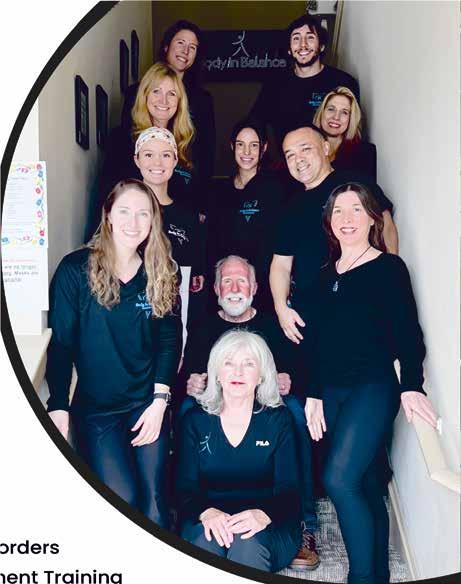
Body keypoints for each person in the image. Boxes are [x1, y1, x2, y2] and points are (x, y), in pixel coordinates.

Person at [302, 182, 438, 584]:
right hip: (332, 390)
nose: (347, 219)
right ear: (329, 221)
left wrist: (412, 384)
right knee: (366, 480)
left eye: (356, 210)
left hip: (373, 387)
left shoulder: (388, 268)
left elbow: (409, 333)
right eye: (339, 211)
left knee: (338, 478)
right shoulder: (322, 276)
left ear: (373, 219)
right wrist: (313, 393)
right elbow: (315, 343)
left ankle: (360, 577)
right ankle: (377, 574)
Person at [46, 179, 182, 527]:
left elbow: (169, 340)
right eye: (124, 211)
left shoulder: (162, 271)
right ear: (107, 215)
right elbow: (61, 343)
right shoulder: (75, 270)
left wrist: (160, 402)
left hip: (146, 403)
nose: (133, 222)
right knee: (123, 498)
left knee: (155, 501)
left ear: (153, 220)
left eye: (143, 213)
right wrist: (58, 403)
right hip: (97, 410)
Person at [179, 255, 320, 571]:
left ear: (255, 288)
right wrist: (192, 381)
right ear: (216, 289)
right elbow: (190, 375)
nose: (234, 288)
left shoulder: (271, 324)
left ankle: (305, 522)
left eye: (241, 281)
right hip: (216, 403)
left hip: (268, 403)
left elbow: (297, 368)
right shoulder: (204, 326)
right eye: (227, 281)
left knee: (295, 413)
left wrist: (286, 378)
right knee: (189, 410)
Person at [177, 330, 301, 572]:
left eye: (248, 364)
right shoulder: (195, 420)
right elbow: (183, 488)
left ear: (262, 375)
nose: (238, 372)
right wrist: (206, 512)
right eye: (229, 363)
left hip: (268, 521)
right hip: (208, 517)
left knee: (247, 545)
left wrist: (263, 515)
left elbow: (290, 490)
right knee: (205, 540)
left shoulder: (279, 420)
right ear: (216, 373)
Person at [270, 124, 398, 345]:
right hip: (310, 316)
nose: (298, 159)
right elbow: (281, 264)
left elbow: (386, 225)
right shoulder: (291, 206)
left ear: (325, 148)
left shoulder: (354, 183)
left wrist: (391, 274)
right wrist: (281, 309)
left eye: (305, 149)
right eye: (290, 155)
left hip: (359, 306)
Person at [90, 62, 195, 236]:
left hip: (174, 236)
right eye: (156, 91)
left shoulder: (186, 143)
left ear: (180, 101)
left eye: (171, 94)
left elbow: (191, 202)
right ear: (144, 95)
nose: (163, 100)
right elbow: (107, 197)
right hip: (130, 235)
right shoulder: (122, 139)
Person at [122, 20, 216, 215]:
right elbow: (126, 146)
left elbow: (206, 155)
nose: (185, 51)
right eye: (180, 43)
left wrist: (202, 206)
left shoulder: (203, 100)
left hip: (183, 192)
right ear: (166, 46)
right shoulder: (135, 93)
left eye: (192, 47)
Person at [207, 119, 288, 313]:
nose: (246, 152)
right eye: (241, 144)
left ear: (264, 148)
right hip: (229, 287)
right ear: (232, 146)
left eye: (254, 145)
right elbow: (211, 240)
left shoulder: (276, 189)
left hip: (265, 285)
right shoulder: (220, 191)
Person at [133, 126, 206, 341]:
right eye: (149, 155)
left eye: (165, 155)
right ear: (137, 160)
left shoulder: (188, 218)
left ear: (175, 161)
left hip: (172, 326)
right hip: (131, 319)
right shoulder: (124, 210)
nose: (157, 163)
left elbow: (192, 283)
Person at [250, 13, 360, 153]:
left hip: (330, 162)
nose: (303, 45)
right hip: (287, 162)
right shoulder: (275, 84)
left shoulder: (343, 82)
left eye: (310, 37)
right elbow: (255, 123)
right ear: (289, 49)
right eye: (296, 38)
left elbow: (353, 132)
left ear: (321, 46)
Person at [313, 86, 377, 180]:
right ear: (321, 112)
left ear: (351, 119)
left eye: (344, 112)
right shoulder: (305, 148)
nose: (336, 117)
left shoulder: (364, 152)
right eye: (331, 109)